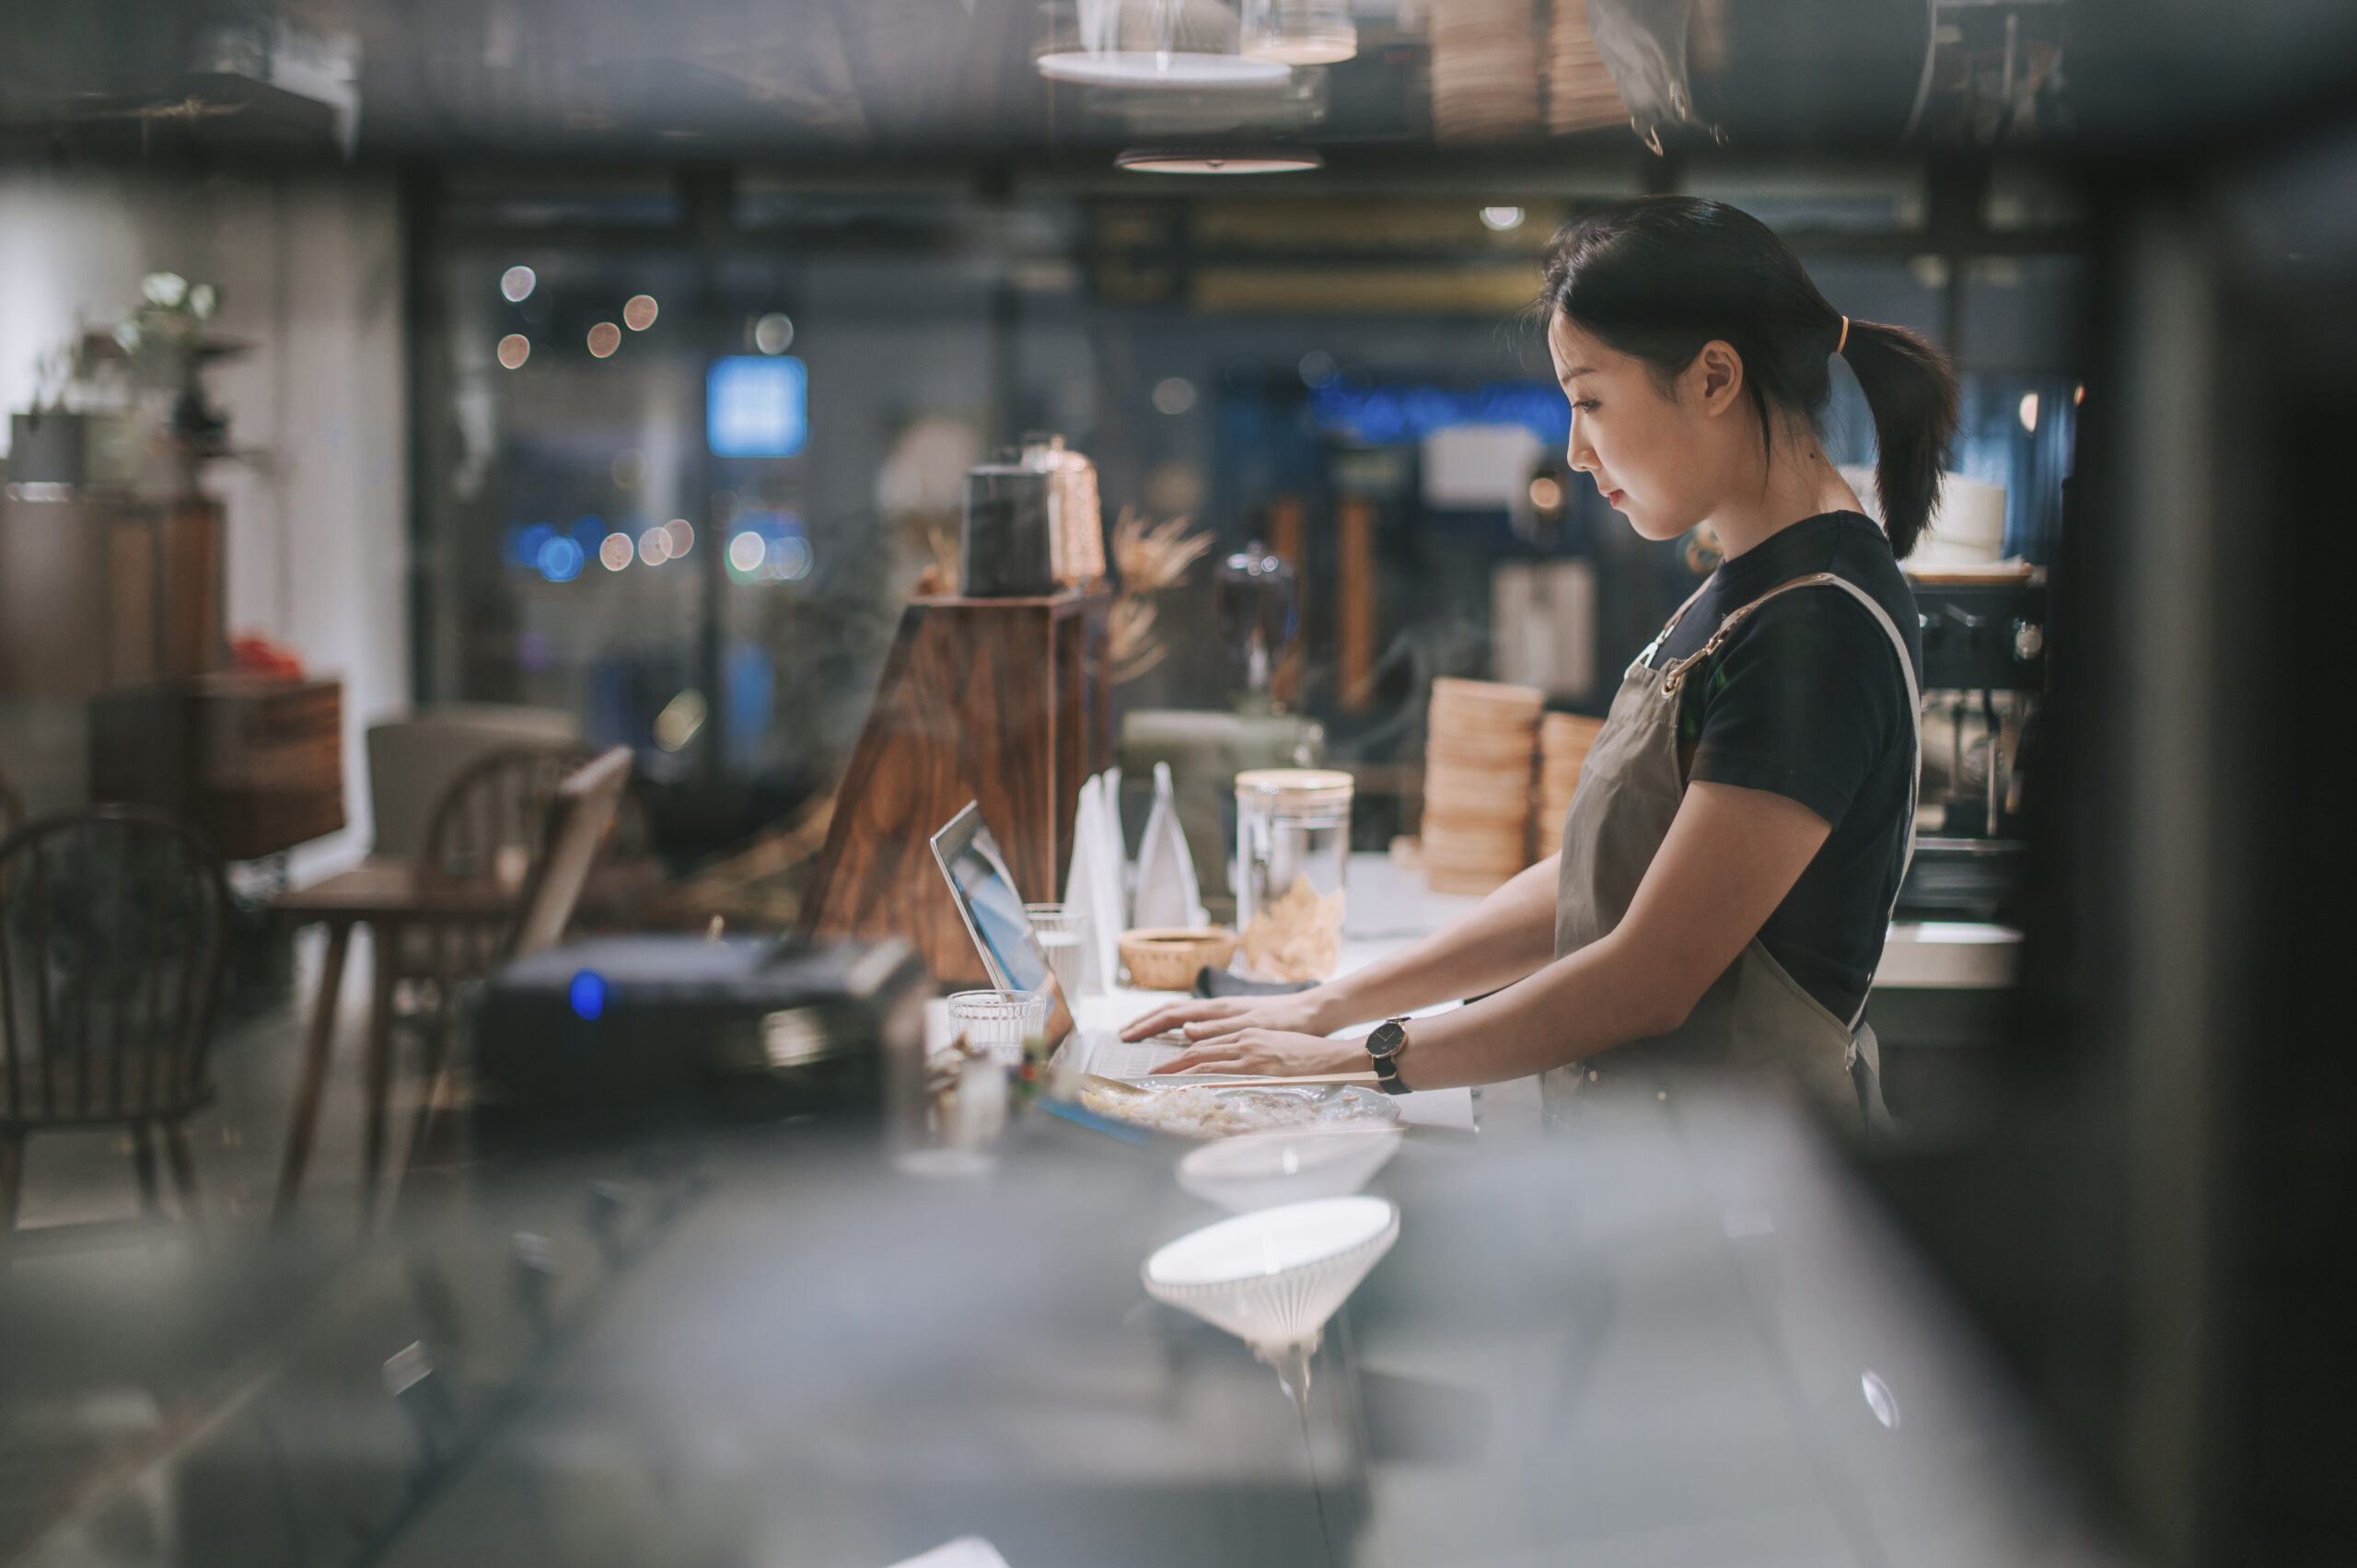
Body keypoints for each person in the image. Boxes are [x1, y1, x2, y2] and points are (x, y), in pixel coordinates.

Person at [1125, 195, 1957, 1132]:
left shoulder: (1818, 628)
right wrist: (1324, 1004)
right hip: (1657, 1162)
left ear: (1714, 377)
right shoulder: (1747, 584)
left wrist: (1353, 1058)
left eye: (1590, 398)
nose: (1573, 448)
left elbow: (1649, 978)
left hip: (1744, 1190)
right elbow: (1595, 878)